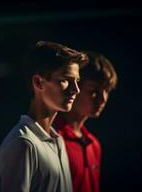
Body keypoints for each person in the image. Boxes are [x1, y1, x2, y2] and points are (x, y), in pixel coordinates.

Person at [0, 41, 88, 192]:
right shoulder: (22, 143)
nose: (76, 90)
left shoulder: (57, 139)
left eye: (77, 81)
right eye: (65, 80)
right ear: (38, 82)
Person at [54, 51, 118, 192]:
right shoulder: (53, 139)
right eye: (94, 91)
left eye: (107, 90)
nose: (103, 99)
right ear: (75, 89)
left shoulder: (93, 144)